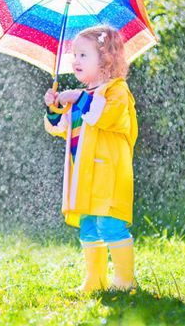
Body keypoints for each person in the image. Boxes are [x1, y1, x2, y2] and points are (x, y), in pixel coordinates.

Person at [43, 24, 138, 293]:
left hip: (109, 175)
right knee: (88, 227)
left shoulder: (117, 91)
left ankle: (125, 280)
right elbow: (61, 128)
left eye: (83, 55)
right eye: (74, 55)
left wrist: (80, 98)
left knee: (109, 224)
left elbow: (104, 116)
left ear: (106, 60)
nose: (75, 61)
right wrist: (54, 107)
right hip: (84, 177)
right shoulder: (81, 97)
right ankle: (95, 279)